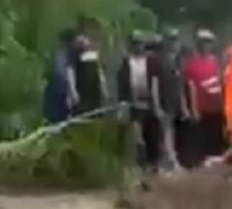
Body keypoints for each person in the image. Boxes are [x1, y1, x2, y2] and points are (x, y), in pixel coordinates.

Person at [117, 32, 164, 172]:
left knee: (153, 134)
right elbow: (122, 83)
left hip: (148, 102)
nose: (138, 46)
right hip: (133, 103)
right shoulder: (126, 62)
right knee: (137, 137)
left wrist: (156, 105)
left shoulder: (150, 61)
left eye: (140, 43)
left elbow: (155, 82)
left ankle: (154, 164)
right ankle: (139, 164)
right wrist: (122, 103)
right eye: (135, 43)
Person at [181, 28, 227, 166]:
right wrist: (193, 108)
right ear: (198, 44)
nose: (206, 45)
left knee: (216, 135)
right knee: (202, 136)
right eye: (203, 42)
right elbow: (190, 87)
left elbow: (220, 81)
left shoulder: (215, 61)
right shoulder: (191, 63)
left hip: (217, 105)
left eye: (209, 42)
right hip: (201, 105)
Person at [147, 29, 186, 170]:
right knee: (165, 131)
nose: (174, 43)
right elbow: (154, 84)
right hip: (163, 100)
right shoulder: (158, 60)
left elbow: (180, 84)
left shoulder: (177, 60)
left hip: (173, 101)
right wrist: (156, 104)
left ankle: (168, 160)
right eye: (171, 40)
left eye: (176, 40)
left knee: (170, 131)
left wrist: (183, 106)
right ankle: (170, 160)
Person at [69, 18, 107, 116]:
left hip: (94, 85)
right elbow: (72, 68)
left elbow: (98, 68)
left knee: (95, 108)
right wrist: (73, 90)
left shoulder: (94, 48)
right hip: (83, 82)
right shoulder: (78, 44)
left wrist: (103, 83)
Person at [42, 28, 76, 123]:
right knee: (61, 117)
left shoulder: (56, 54)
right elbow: (68, 73)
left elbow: (48, 72)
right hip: (60, 90)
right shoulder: (67, 55)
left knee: (54, 117)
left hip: (54, 89)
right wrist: (72, 92)